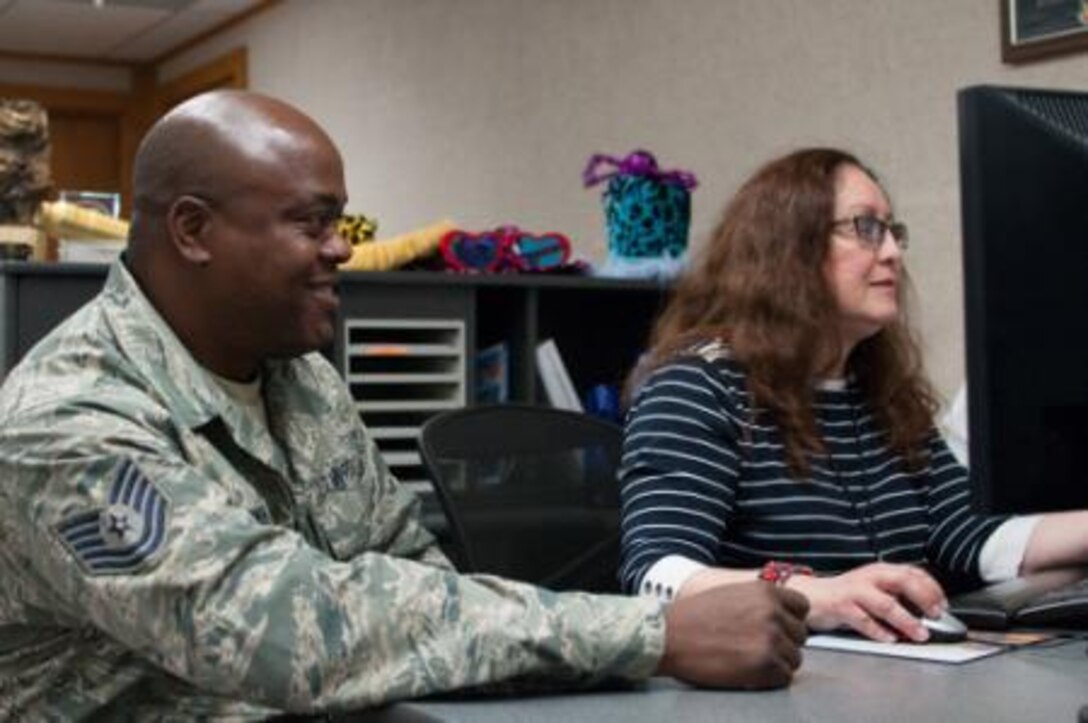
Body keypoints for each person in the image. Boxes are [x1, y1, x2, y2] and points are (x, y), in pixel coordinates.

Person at [0, 91, 809, 719]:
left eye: (341, 220)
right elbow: (280, 626)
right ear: (193, 230)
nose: (343, 248)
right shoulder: (66, 419)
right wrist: (651, 635)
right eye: (311, 222)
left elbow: (404, 569)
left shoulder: (297, 375)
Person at [618, 147, 1088, 644]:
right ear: (787, 249)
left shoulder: (880, 393)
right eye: (865, 228)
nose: (892, 252)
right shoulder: (699, 386)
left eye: (892, 231)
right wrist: (813, 594)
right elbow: (656, 576)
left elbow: (966, 536)